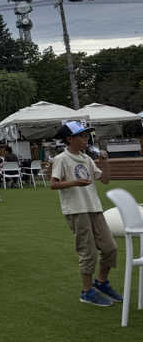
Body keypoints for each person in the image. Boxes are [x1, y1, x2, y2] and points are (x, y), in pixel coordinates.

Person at [50, 121, 121, 307]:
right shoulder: (62, 159)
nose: (86, 138)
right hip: (76, 210)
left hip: (94, 208)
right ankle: (87, 291)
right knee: (88, 251)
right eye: (82, 135)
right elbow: (53, 184)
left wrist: (105, 163)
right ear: (69, 139)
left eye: (86, 135)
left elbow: (105, 180)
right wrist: (75, 183)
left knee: (110, 248)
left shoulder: (87, 159)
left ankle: (102, 282)